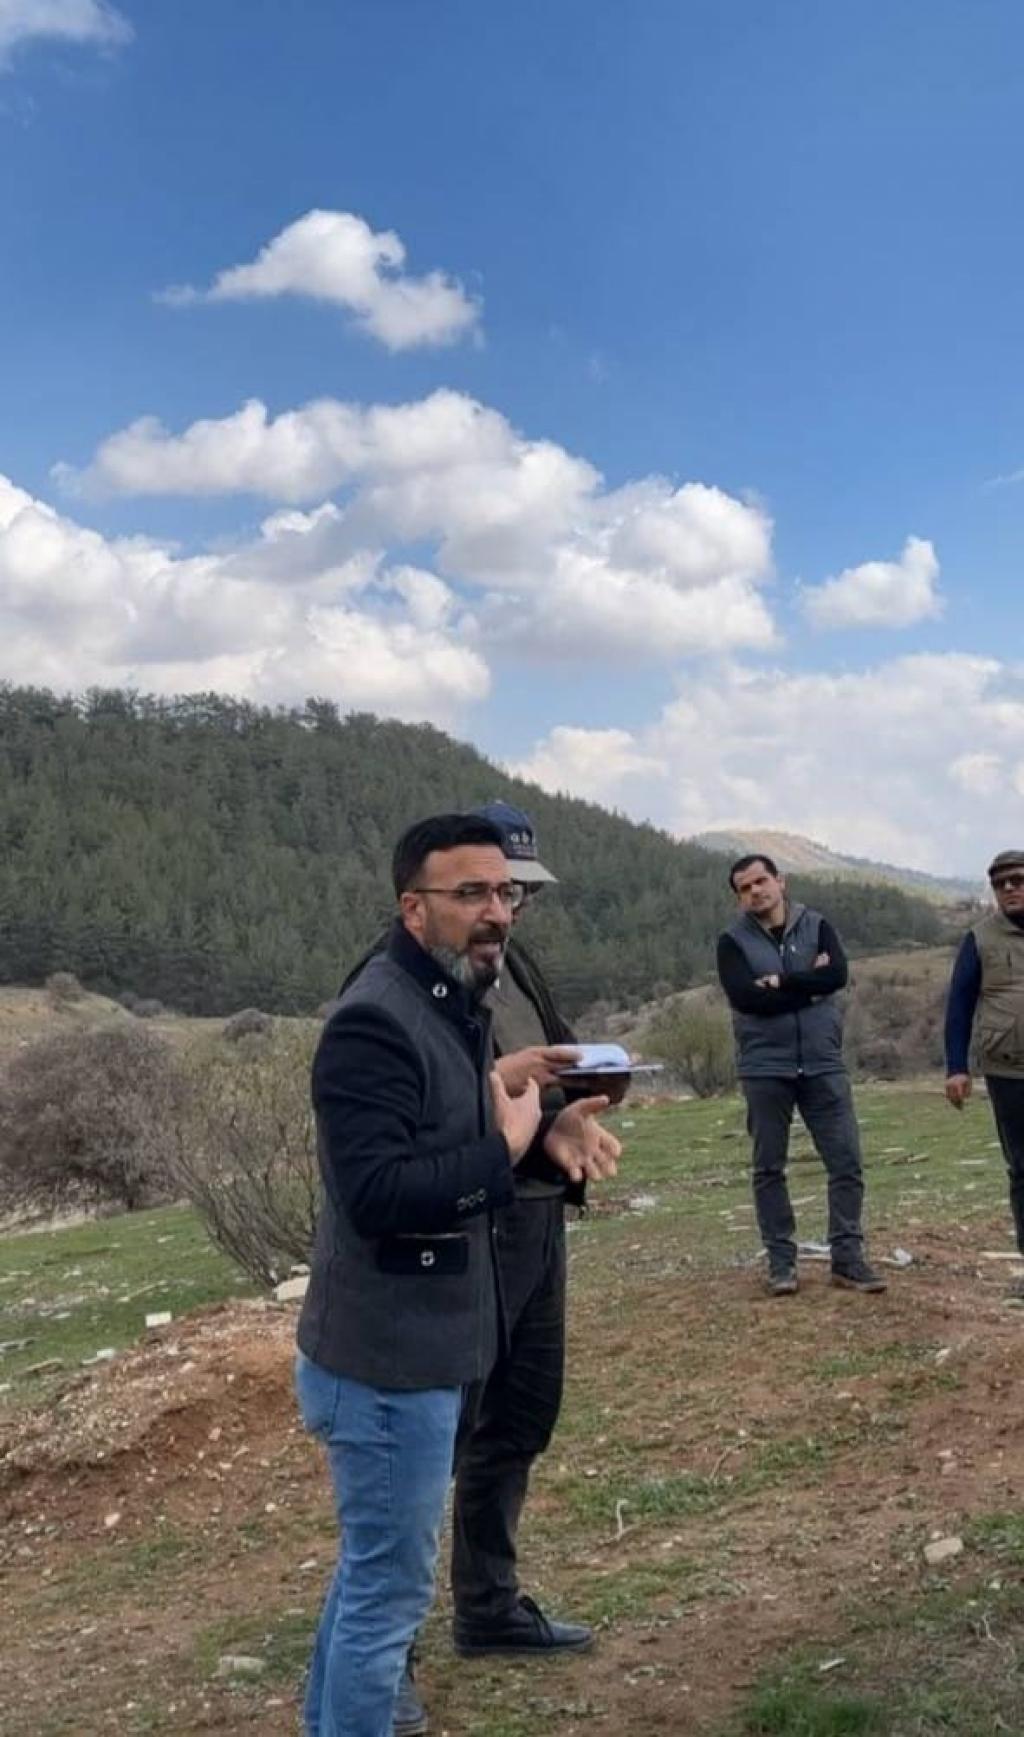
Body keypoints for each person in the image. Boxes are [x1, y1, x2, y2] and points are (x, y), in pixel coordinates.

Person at [295, 812, 620, 1737]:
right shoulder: (374, 1017)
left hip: (422, 1346)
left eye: (505, 892)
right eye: (471, 892)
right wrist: (505, 1149)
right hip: (386, 1357)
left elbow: (456, 1116)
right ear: (414, 907)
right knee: (384, 1598)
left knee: (372, 1578)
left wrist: (545, 1133)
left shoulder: (451, 996)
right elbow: (378, 1195)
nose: (497, 911)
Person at [450, 799, 592, 1661]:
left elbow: (554, 1055)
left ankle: (488, 1606)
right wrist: (511, 1091)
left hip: (536, 1212)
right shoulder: (412, 982)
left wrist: (579, 1101)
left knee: (520, 1416)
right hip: (471, 1225)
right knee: (439, 1435)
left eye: (519, 893)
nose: (507, 910)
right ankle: (385, 1653)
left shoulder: (515, 961)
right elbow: (431, 1098)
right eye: (491, 891)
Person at [716, 853, 886, 1297]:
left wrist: (781, 982)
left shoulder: (817, 925)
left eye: (761, 881)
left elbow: (838, 975)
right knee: (769, 1167)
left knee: (846, 1161)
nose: (755, 891)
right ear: (738, 898)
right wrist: (809, 984)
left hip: (823, 1062)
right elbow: (746, 998)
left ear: (781, 881)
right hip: (764, 1067)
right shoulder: (731, 942)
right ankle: (781, 1263)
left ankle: (847, 1259)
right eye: (744, 888)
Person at [944, 849, 1024, 1299]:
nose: (1009, 888)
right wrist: (956, 1067)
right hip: (1007, 1071)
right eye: (1000, 883)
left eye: (1018, 880)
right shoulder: (979, 938)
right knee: (1023, 1171)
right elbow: (959, 1004)